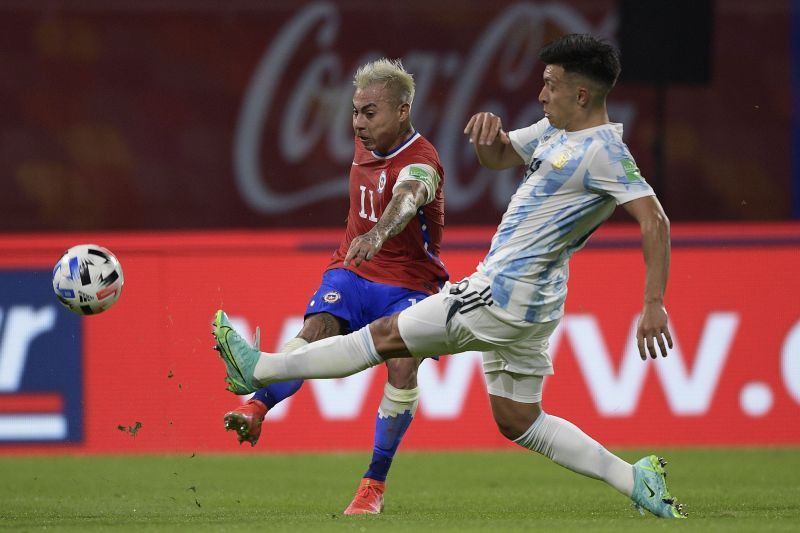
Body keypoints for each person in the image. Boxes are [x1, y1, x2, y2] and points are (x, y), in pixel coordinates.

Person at [212, 34, 686, 519]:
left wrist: (653, 303)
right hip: (535, 302)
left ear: (581, 95)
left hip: (502, 293)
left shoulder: (604, 152)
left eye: (550, 85)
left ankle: (261, 369)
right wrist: (489, 138)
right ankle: (635, 478)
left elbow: (655, 220)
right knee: (518, 420)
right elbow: (499, 156)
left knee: (386, 337)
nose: (541, 94)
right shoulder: (554, 131)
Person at [219, 58, 448, 515]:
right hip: (353, 270)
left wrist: (377, 234)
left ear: (403, 112)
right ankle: (257, 405)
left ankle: (373, 485)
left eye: (369, 113)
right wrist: (363, 243)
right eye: (355, 110)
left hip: (410, 283)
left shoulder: (422, 160)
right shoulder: (369, 141)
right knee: (317, 330)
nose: (357, 123)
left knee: (402, 369)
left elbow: (407, 195)